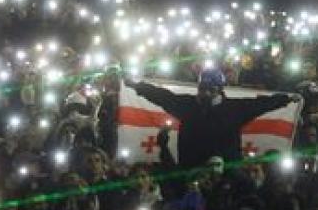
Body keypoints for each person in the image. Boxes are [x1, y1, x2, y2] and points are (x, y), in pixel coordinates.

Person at [126, 68, 299, 168]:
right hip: (191, 170)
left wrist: (285, 99)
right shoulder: (187, 105)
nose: (205, 93)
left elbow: (261, 104)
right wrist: (136, 86)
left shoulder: (235, 109)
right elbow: (161, 96)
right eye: (202, 88)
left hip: (226, 172)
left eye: (210, 89)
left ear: (219, 89)